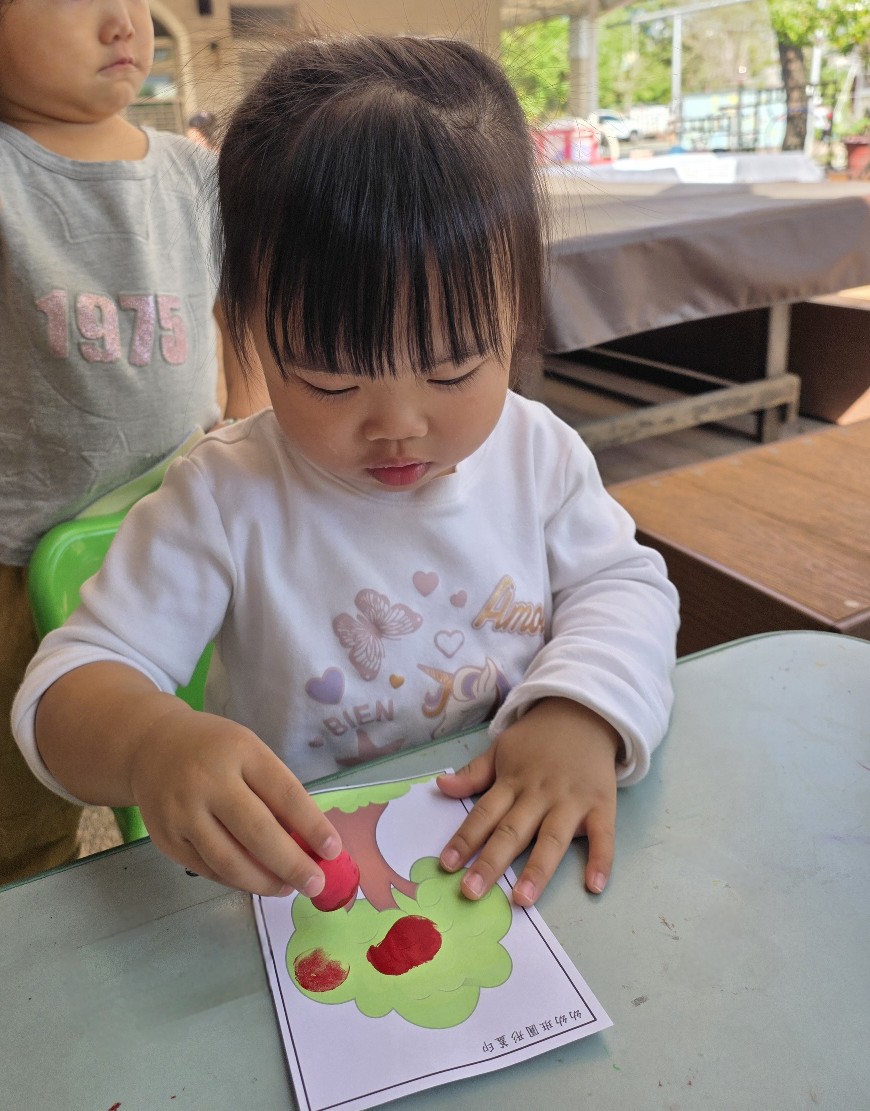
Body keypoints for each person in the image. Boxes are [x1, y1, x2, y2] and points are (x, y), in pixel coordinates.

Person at [12, 34, 680, 909]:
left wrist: (580, 708)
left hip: (511, 859)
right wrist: (150, 744)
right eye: (331, 381)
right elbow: (65, 688)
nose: (398, 425)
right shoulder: (225, 499)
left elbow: (625, 584)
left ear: (518, 315)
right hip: (304, 888)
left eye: (452, 371)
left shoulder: (537, 453)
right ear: (246, 326)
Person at [0, 0, 266, 885]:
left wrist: (248, 421)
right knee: (18, 816)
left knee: (192, 745)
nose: (122, 21)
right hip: (16, 553)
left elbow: (239, 311)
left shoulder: (192, 174)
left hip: (179, 534)